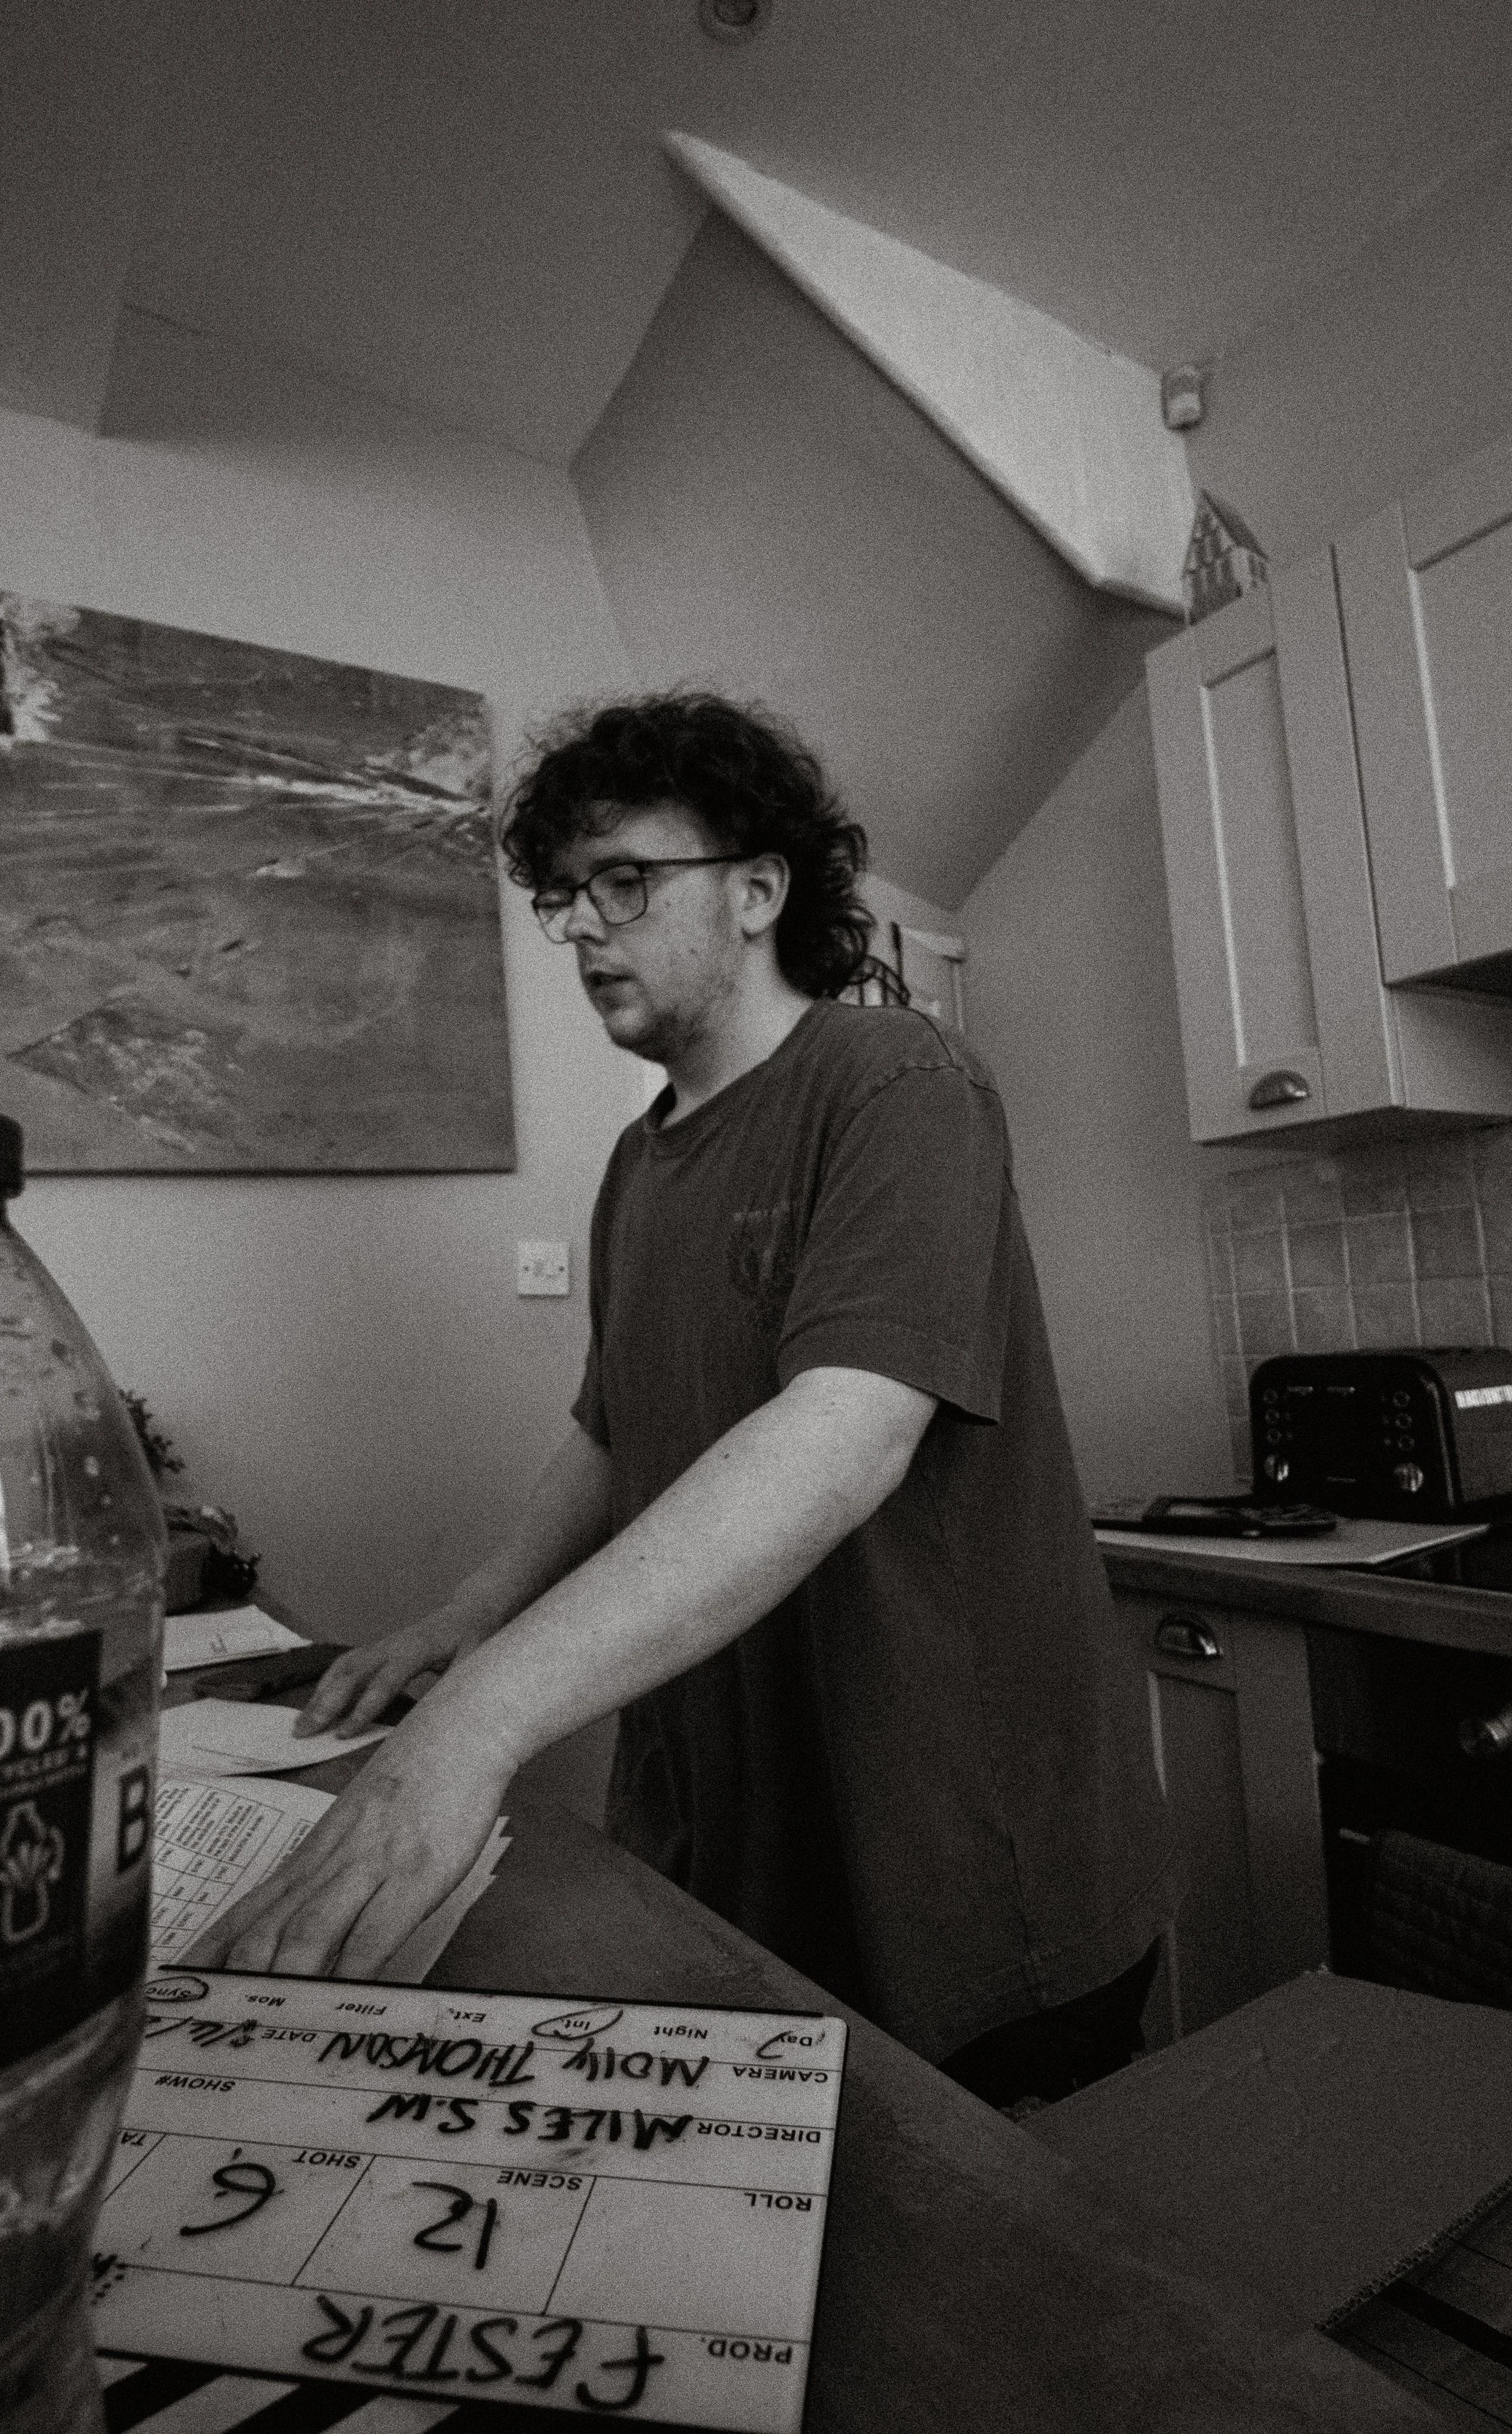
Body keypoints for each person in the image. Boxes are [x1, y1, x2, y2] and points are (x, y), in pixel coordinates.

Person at [191, 693, 1172, 2106]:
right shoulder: (633, 1167)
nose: (583, 927)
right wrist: (467, 1618)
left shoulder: (895, 1080)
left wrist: (476, 1722)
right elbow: (608, 1433)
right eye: (565, 896)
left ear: (760, 889)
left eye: (626, 883)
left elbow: (841, 1433)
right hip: (749, 1867)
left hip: (967, 1871)